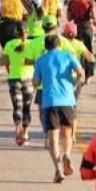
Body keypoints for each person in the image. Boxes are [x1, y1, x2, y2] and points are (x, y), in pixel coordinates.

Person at [32, 35, 85, 183]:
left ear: (46, 46)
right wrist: (73, 84)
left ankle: (58, 170)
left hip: (49, 101)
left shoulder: (41, 60)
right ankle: (67, 153)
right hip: (67, 100)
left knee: (53, 138)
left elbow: (35, 83)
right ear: (59, 44)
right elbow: (81, 73)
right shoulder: (68, 56)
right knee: (67, 133)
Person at [3, 23, 34, 146]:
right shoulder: (31, 44)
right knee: (27, 107)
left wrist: (10, 72)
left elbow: (5, 62)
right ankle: (25, 133)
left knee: (17, 106)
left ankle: (17, 128)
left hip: (14, 77)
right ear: (27, 31)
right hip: (28, 78)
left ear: (15, 32)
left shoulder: (9, 44)